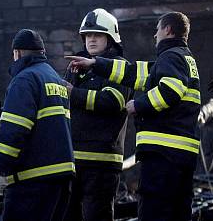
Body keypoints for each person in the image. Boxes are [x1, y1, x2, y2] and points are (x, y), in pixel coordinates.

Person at [67, 12, 201, 221]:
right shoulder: (180, 58)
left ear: (167, 30)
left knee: (155, 212)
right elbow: (133, 72)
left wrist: (139, 105)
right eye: (88, 35)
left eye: (157, 30)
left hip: (165, 153)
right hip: (177, 153)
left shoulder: (171, 56)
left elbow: (172, 90)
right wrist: (95, 64)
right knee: (178, 212)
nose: (155, 36)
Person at [0, 29, 75, 221]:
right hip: (61, 181)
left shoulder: (24, 80)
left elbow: (14, 131)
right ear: (42, 53)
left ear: (17, 53)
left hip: (32, 182)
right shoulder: (55, 79)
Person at [63, 9, 132, 221]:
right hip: (72, 160)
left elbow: (113, 102)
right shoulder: (76, 67)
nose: (91, 39)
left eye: (98, 35)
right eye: (88, 35)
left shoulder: (120, 68)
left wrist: (74, 93)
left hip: (101, 162)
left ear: (110, 39)